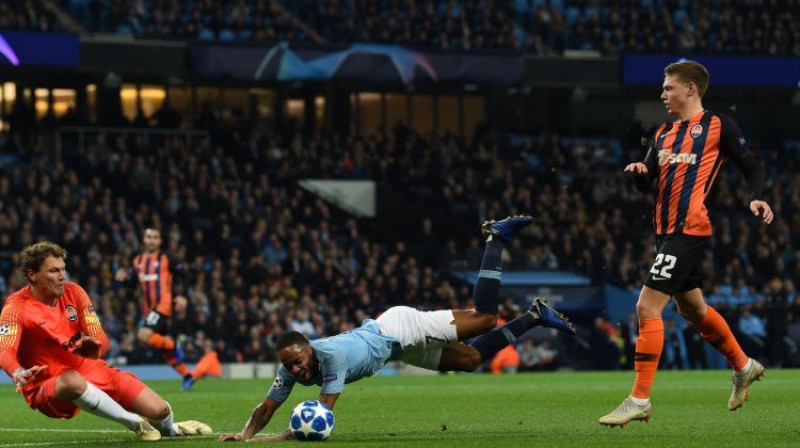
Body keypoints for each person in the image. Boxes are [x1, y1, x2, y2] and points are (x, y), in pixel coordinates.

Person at [218, 216, 576, 442]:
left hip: (399, 327)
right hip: (397, 349)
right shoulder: (291, 366)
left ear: (309, 348)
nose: (296, 369)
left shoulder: (331, 358)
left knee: (484, 319)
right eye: (290, 365)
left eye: (298, 361)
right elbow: (266, 407)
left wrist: (273, 440)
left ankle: (495, 239)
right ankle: (535, 316)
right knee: (470, 360)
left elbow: (320, 415)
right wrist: (245, 434)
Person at [599, 60, 774, 427]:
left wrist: (757, 196)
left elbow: (750, 164)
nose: (662, 94)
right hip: (664, 232)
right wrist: (639, 173)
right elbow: (648, 184)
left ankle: (639, 399)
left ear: (690, 88)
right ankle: (744, 366)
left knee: (647, 307)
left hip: (689, 229)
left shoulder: (719, 125)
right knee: (692, 310)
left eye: (668, 88)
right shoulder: (661, 133)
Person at [0, 241, 212, 441]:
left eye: (63, 269)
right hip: (47, 385)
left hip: (88, 368)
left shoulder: (75, 292)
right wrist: (17, 371)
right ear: (32, 274)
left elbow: (100, 336)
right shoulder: (15, 308)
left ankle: (173, 430)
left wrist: (96, 348)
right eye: (54, 271)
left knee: (159, 410)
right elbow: (4, 351)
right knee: (72, 380)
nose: (62, 276)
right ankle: (134, 423)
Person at [115, 227, 219, 390]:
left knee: (143, 336)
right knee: (164, 352)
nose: (151, 240)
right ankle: (187, 376)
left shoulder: (167, 258)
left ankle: (173, 345)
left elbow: (185, 274)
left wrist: (183, 295)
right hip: (148, 310)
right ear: (144, 240)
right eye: (148, 237)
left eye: (155, 237)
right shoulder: (137, 261)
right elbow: (132, 286)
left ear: (160, 241)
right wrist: (124, 280)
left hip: (162, 306)